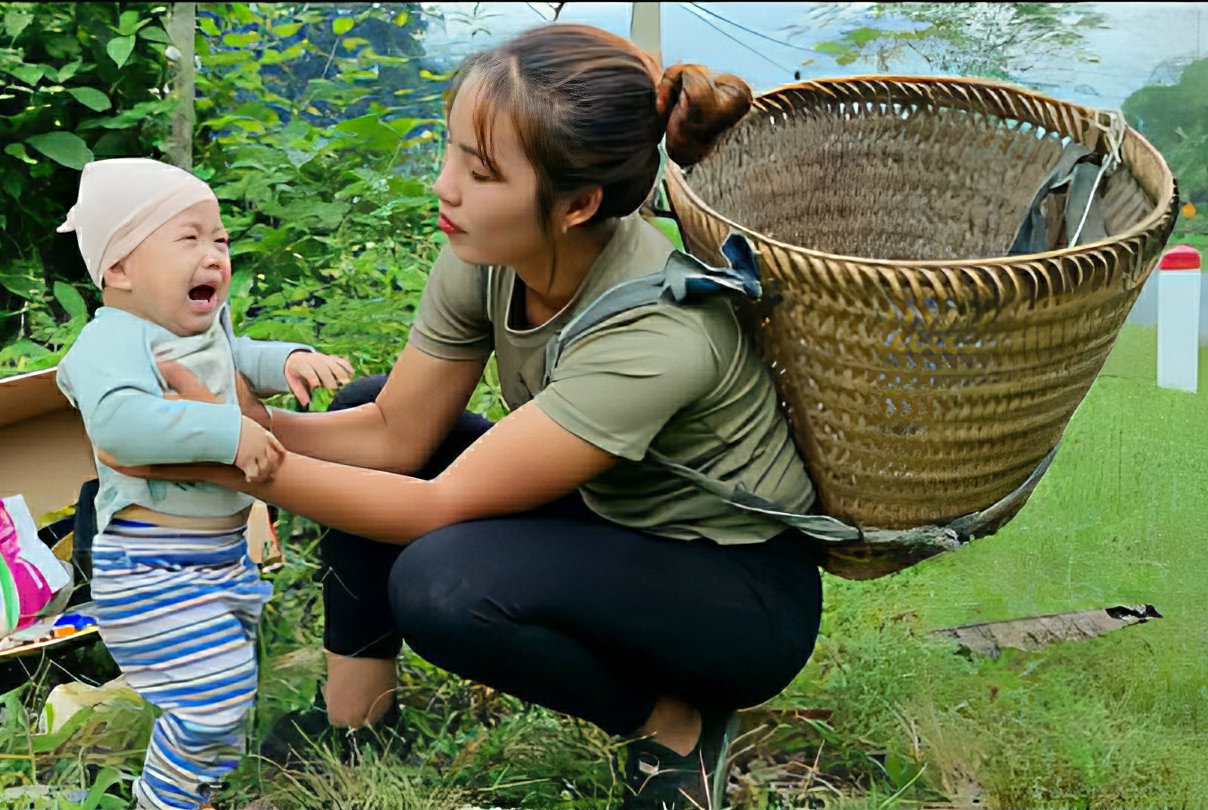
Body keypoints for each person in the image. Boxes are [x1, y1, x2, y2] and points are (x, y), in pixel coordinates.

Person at [118, 24, 823, 810]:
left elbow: (435, 507)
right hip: (611, 520)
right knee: (359, 413)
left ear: (578, 204)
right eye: (451, 150)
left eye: (481, 172)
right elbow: (395, 434)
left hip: (731, 589)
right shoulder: (483, 255)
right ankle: (358, 713)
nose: (445, 186)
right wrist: (249, 424)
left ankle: (677, 726)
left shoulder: (657, 331)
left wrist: (219, 457)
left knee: (444, 587)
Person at [53, 157, 353, 810]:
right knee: (213, 700)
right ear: (120, 270)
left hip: (215, 562)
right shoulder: (113, 340)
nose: (214, 254)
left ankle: (193, 794)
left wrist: (289, 359)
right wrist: (229, 433)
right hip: (150, 567)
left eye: (219, 239)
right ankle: (160, 803)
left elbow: (236, 357)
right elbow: (121, 425)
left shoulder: (197, 331)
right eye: (188, 238)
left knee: (221, 698)